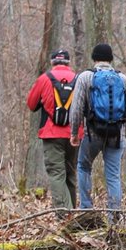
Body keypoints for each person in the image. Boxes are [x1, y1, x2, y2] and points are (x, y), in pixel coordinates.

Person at [68, 43, 126, 216]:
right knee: (113, 175)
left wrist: (74, 133)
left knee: (83, 166)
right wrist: (119, 126)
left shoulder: (86, 77)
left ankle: (86, 210)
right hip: (116, 134)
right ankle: (114, 216)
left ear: (94, 58)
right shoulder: (123, 79)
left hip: (93, 134)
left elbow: (76, 109)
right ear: (111, 59)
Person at [26, 49, 79, 209]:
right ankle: (72, 212)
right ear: (69, 63)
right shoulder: (79, 79)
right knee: (71, 174)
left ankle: (65, 215)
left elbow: (31, 104)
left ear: (52, 62)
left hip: (51, 134)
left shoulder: (44, 79)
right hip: (74, 134)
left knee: (57, 174)